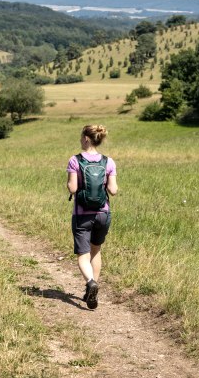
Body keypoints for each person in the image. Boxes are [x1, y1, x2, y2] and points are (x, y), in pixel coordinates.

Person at [67, 124, 118, 309]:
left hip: (82, 214)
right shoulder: (108, 161)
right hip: (103, 213)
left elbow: (72, 188)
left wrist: (72, 184)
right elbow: (113, 190)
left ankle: (90, 283)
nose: (80, 140)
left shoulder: (75, 160)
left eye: (81, 137)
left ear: (86, 139)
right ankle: (92, 290)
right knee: (96, 250)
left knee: (83, 254)